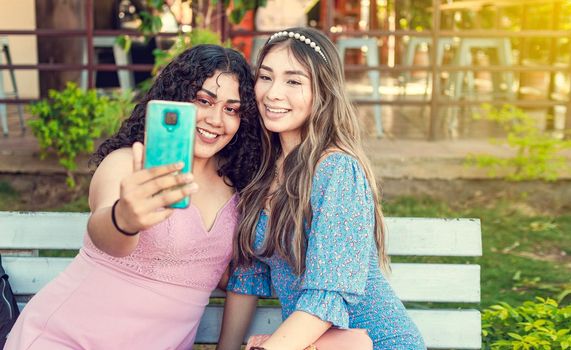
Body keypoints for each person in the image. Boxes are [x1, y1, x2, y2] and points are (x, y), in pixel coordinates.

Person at [5, 44, 262, 350]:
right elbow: (103, 232)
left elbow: (226, 273)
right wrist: (124, 218)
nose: (216, 119)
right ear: (176, 99)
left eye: (231, 109)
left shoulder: (238, 185)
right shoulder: (126, 162)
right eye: (203, 101)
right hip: (67, 338)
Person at [216, 28, 426, 350]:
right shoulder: (263, 170)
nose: (273, 93)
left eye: (294, 81)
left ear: (322, 92)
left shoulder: (338, 171)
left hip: (376, 342)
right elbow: (249, 276)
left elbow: (326, 299)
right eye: (266, 77)